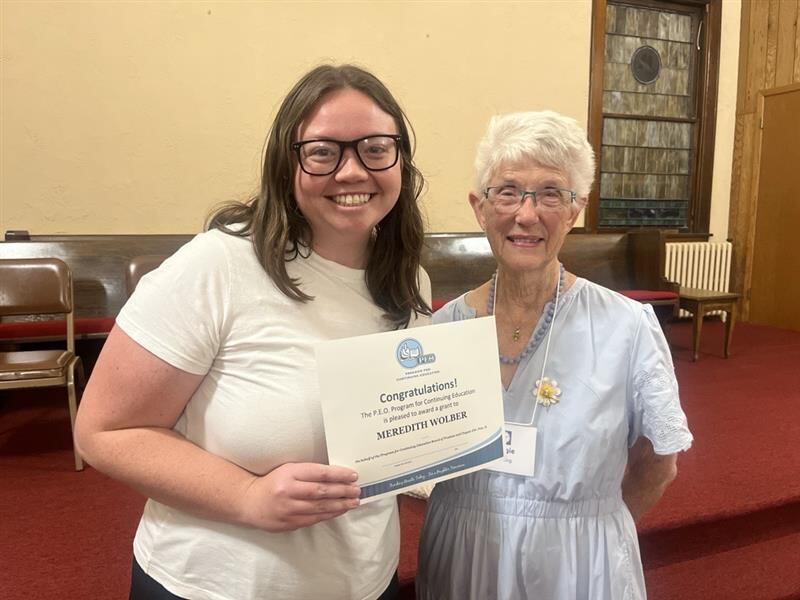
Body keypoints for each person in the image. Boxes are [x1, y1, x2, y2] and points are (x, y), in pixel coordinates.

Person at [74, 64, 431, 600]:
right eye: (323, 151)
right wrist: (247, 496)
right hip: (214, 585)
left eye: (376, 147)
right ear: (286, 162)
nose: (353, 171)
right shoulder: (218, 265)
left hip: (364, 579)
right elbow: (105, 432)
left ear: (400, 157)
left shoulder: (408, 277)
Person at [416, 111, 692, 600]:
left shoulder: (625, 328)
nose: (527, 214)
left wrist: (589, 530)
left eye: (550, 193)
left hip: (580, 563)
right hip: (464, 554)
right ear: (480, 207)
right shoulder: (440, 331)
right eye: (508, 191)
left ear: (575, 209)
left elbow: (658, 462)